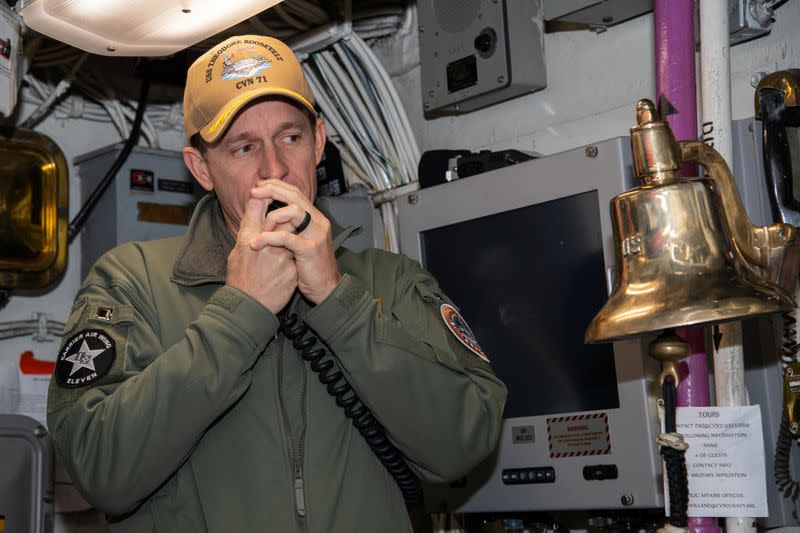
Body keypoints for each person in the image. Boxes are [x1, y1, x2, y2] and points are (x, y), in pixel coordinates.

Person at [46, 35, 507, 532]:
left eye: (290, 137)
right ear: (201, 167)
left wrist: (339, 299)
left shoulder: (390, 281)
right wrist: (239, 311)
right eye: (243, 147)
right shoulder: (131, 282)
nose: (275, 168)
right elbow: (98, 469)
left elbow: (463, 443)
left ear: (320, 141)